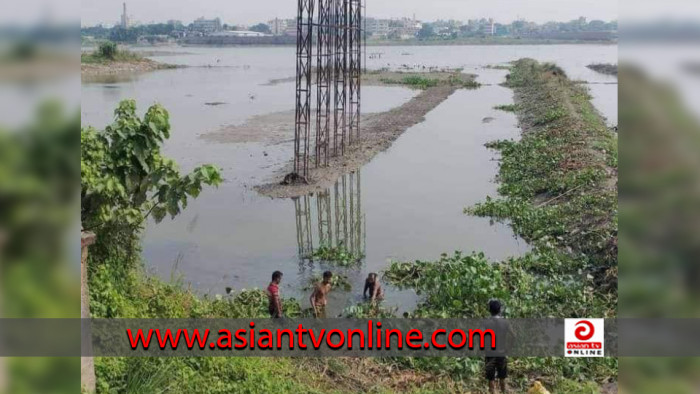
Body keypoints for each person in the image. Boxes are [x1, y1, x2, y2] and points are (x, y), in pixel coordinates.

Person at [484, 299, 514, 394]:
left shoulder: (486, 323)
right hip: (502, 353)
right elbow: (514, 336)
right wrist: (509, 348)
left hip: (490, 353)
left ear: (490, 310)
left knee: (491, 379)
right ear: (500, 310)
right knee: (502, 378)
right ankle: (503, 392)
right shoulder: (505, 322)